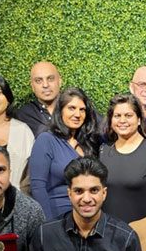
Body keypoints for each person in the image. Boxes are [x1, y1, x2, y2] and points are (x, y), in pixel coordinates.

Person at [28, 86, 101, 219]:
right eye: (71, 108)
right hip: (57, 216)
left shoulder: (89, 143)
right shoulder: (46, 140)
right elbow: (37, 187)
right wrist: (48, 223)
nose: (77, 114)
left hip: (89, 217)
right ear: (60, 111)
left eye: (82, 110)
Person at [101, 93, 146, 224]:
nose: (122, 121)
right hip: (108, 234)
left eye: (128, 115)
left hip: (143, 234)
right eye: (117, 116)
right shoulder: (103, 151)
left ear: (139, 119)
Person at [16, 61, 62, 137]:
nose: (45, 85)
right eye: (39, 81)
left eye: (50, 79)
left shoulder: (74, 108)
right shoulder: (23, 115)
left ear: (60, 81)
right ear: (32, 86)